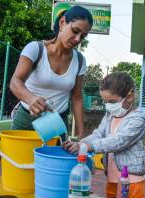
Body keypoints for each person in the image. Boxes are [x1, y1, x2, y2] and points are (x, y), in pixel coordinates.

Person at [62, 72, 145, 198]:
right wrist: (80, 143)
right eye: (105, 102)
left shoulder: (138, 120)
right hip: (113, 179)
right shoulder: (110, 115)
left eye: (112, 102)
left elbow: (118, 141)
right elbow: (98, 134)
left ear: (129, 96)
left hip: (131, 181)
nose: (108, 106)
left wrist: (88, 146)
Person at [9, 6, 93, 139]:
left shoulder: (80, 61)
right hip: (27, 120)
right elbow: (15, 81)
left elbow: (76, 97)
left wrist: (81, 132)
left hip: (57, 124)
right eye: (75, 31)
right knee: (20, 159)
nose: (77, 39)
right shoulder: (36, 49)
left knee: (55, 159)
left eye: (83, 36)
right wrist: (31, 98)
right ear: (62, 23)